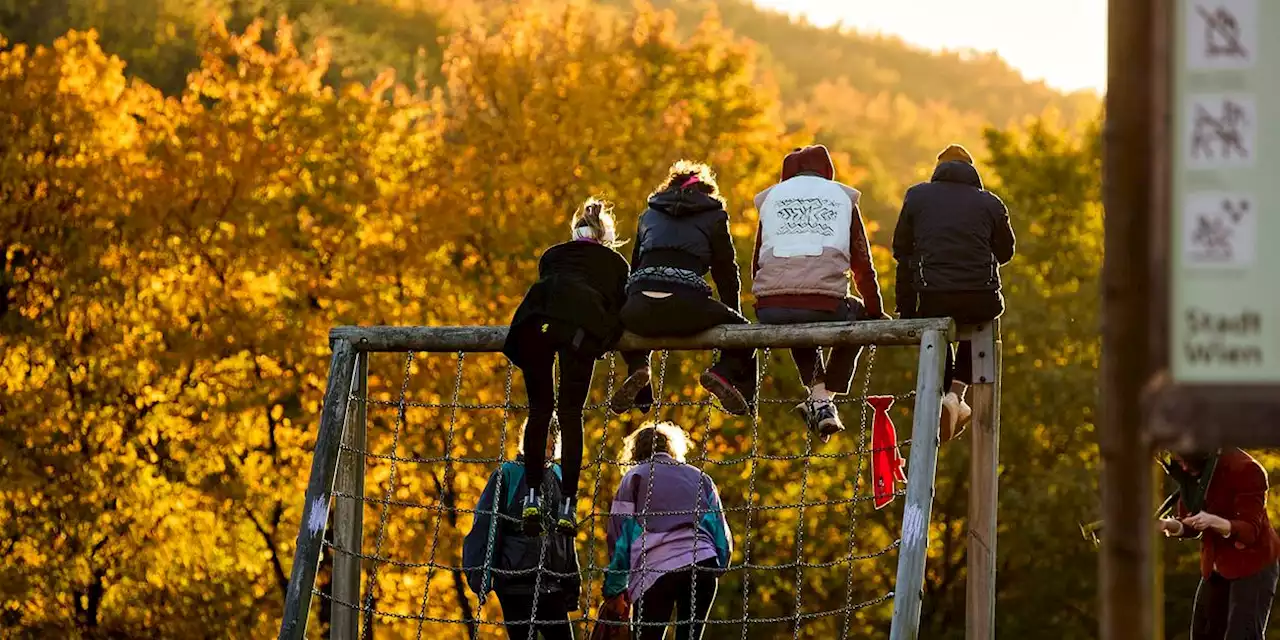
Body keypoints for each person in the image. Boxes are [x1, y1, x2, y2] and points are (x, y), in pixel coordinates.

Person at [503, 198, 631, 533]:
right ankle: (567, 506)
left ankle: (531, 498)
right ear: (605, 236)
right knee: (570, 413)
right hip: (578, 331)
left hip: (535, 326)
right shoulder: (615, 264)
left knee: (539, 411)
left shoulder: (551, 256)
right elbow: (620, 308)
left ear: (574, 233)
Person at [750, 144, 887, 440]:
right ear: (826, 170)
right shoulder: (841, 197)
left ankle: (820, 399)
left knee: (796, 315)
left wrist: (764, 299)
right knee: (856, 315)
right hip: (821, 302)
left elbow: (756, 260)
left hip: (771, 305)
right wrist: (875, 311)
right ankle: (825, 398)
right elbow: (861, 262)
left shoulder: (771, 199)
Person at [607, 161, 757, 417]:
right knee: (747, 335)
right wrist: (732, 321)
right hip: (685, 306)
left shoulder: (648, 215)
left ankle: (639, 369)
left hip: (638, 307)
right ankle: (724, 373)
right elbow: (725, 273)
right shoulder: (714, 215)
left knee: (620, 324)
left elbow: (634, 270)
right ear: (707, 191)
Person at [891, 144, 1015, 441]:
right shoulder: (991, 203)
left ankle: (947, 396)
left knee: (938, 321)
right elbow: (1006, 252)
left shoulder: (917, 196)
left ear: (938, 169)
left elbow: (901, 252)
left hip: (932, 294)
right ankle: (956, 395)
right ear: (972, 170)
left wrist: (906, 310)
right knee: (979, 317)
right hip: (981, 295)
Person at [603, 422, 732, 640]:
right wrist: (719, 564)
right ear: (671, 448)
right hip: (701, 562)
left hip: (655, 570)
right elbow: (718, 527)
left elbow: (621, 536)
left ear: (635, 453)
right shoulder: (700, 477)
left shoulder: (635, 477)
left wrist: (615, 587)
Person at [463, 420, 582, 640]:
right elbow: (486, 526)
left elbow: (566, 537)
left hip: (551, 583)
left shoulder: (558, 475)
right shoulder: (508, 474)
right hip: (515, 585)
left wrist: (571, 581)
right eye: (540, 445)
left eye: (550, 446)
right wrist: (480, 575)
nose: (545, 452)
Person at [1157, 448, 1280, 639]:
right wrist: (1167, 524)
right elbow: (1190, 523)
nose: (1182, 467)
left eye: (1183, 462)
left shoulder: (1246, 470)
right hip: (1217, 565)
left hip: (1252, 563)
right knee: (1203, 633)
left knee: (1242, 634)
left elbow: (1249, 532)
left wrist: (1213, 521)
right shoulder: (1191, 476)